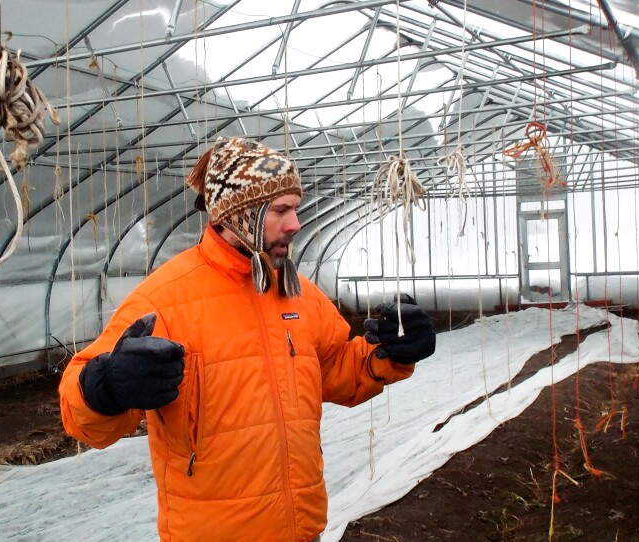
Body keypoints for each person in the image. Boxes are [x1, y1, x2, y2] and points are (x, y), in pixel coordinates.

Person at [58, 136, 437, 542]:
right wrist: (107, 388)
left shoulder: (297, 293)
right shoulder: (164, 299)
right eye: (280, 210)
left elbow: (334, 369)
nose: (295, 224)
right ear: (237, 213)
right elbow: (78, 414)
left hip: (302, 529)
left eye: (295, 208)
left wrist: (390, 352)